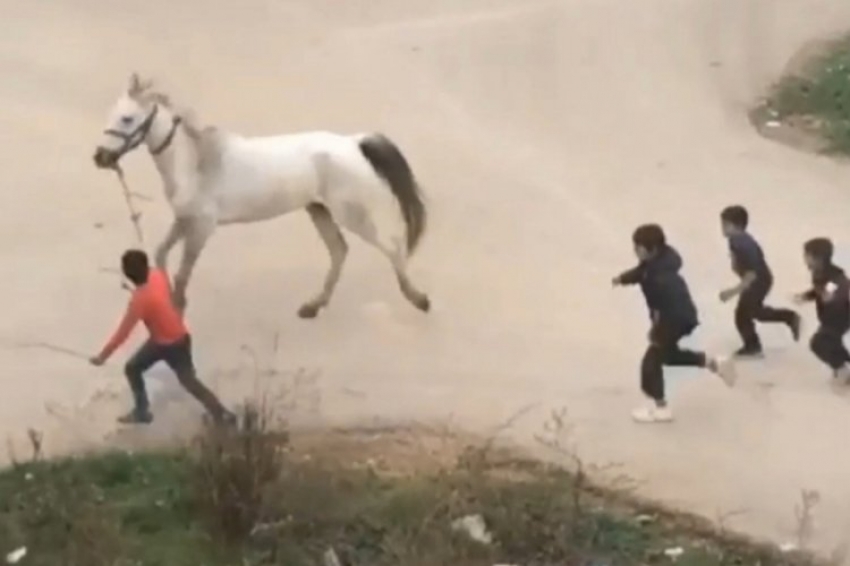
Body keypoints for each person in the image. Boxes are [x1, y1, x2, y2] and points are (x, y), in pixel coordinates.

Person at [89, 249, 235, 425]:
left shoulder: (138, 301)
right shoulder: (158, 275)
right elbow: (162, 292)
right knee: (189, 381)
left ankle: (142, 411)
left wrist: (102, 357)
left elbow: (123, 333)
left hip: (168, 346)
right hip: (180, 337)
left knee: (133, 369)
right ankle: (222, 414)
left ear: (128, 274)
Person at [613, 223, 736, 423]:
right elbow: (640, 272)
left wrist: (657, 329)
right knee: (667, 356)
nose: (635, 251)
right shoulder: (656, 263)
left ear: (652, 249)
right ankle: (713, 363)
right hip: (679, 317)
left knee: (651, 361)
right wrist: (622, 279)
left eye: (639, 248)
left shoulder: (662, 278)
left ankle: (660, 407)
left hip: (675, 319)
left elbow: (666, 305)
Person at [718, 205, 801, 357]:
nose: (721, 228)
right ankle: (785, 320)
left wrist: (732, 291)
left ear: (736, 226)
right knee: (751, 313)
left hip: (759, 282)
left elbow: (752, 274)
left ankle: (755, 345)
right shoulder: (735, 239)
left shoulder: (743, 244)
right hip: (756, 280)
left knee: (746, 314)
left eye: (724, 225)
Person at [793, 237, 850, 389]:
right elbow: (819, 291)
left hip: (840, 317)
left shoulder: (834, 275)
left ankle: (842, 369)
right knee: (833, 344)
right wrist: (805, 296)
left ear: (819, 259)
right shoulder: (818, 272)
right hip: (829, 316)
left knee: (818, 344)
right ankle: (844, 366)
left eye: (807, 256)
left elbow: (836, 285)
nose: (805, 259)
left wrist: (829, 294)